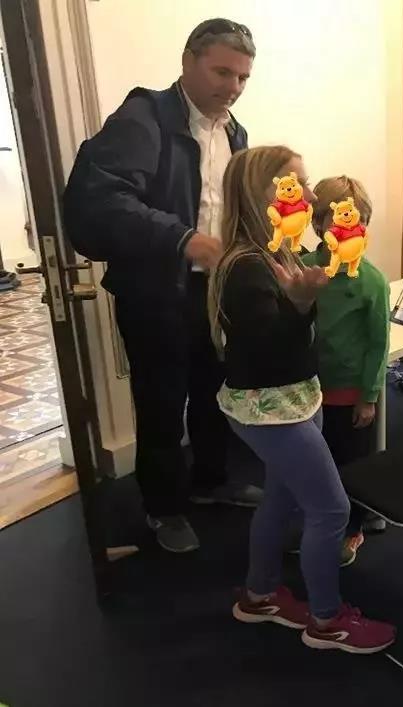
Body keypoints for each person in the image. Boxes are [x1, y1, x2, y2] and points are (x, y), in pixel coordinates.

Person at [63, 19, 263, 553]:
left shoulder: (235, 132)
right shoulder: (142, 117)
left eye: (243, 77)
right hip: (156, 294)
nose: (233, 87)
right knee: (161, 404)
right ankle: (164, 508)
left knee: (216, 394)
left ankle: (211, 481)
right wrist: (184, 239)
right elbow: (101, 201)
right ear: (188, 61)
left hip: (214, 292)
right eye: (222, 72)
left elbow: (226, 206)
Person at [210, 145, 396, 654]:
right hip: (273, 408)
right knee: (332, 510)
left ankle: (260, 594)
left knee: (281, 497)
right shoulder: (248, 267)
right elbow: (269, 349)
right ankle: (326, 620)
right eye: (299, 186)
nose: (311, 198)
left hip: (290, 399)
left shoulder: (271, 255)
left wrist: (300, 304)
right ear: (264, 194)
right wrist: (302, 303)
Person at [302, 176, 390, 566]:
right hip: (307, 391)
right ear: (317, 223)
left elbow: (378, 344)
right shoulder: (302, 270)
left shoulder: (371, 281)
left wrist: (368, 397)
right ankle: (319, 523)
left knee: (349, 467)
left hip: (350, 393)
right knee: (315, 466)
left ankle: (352, 528)